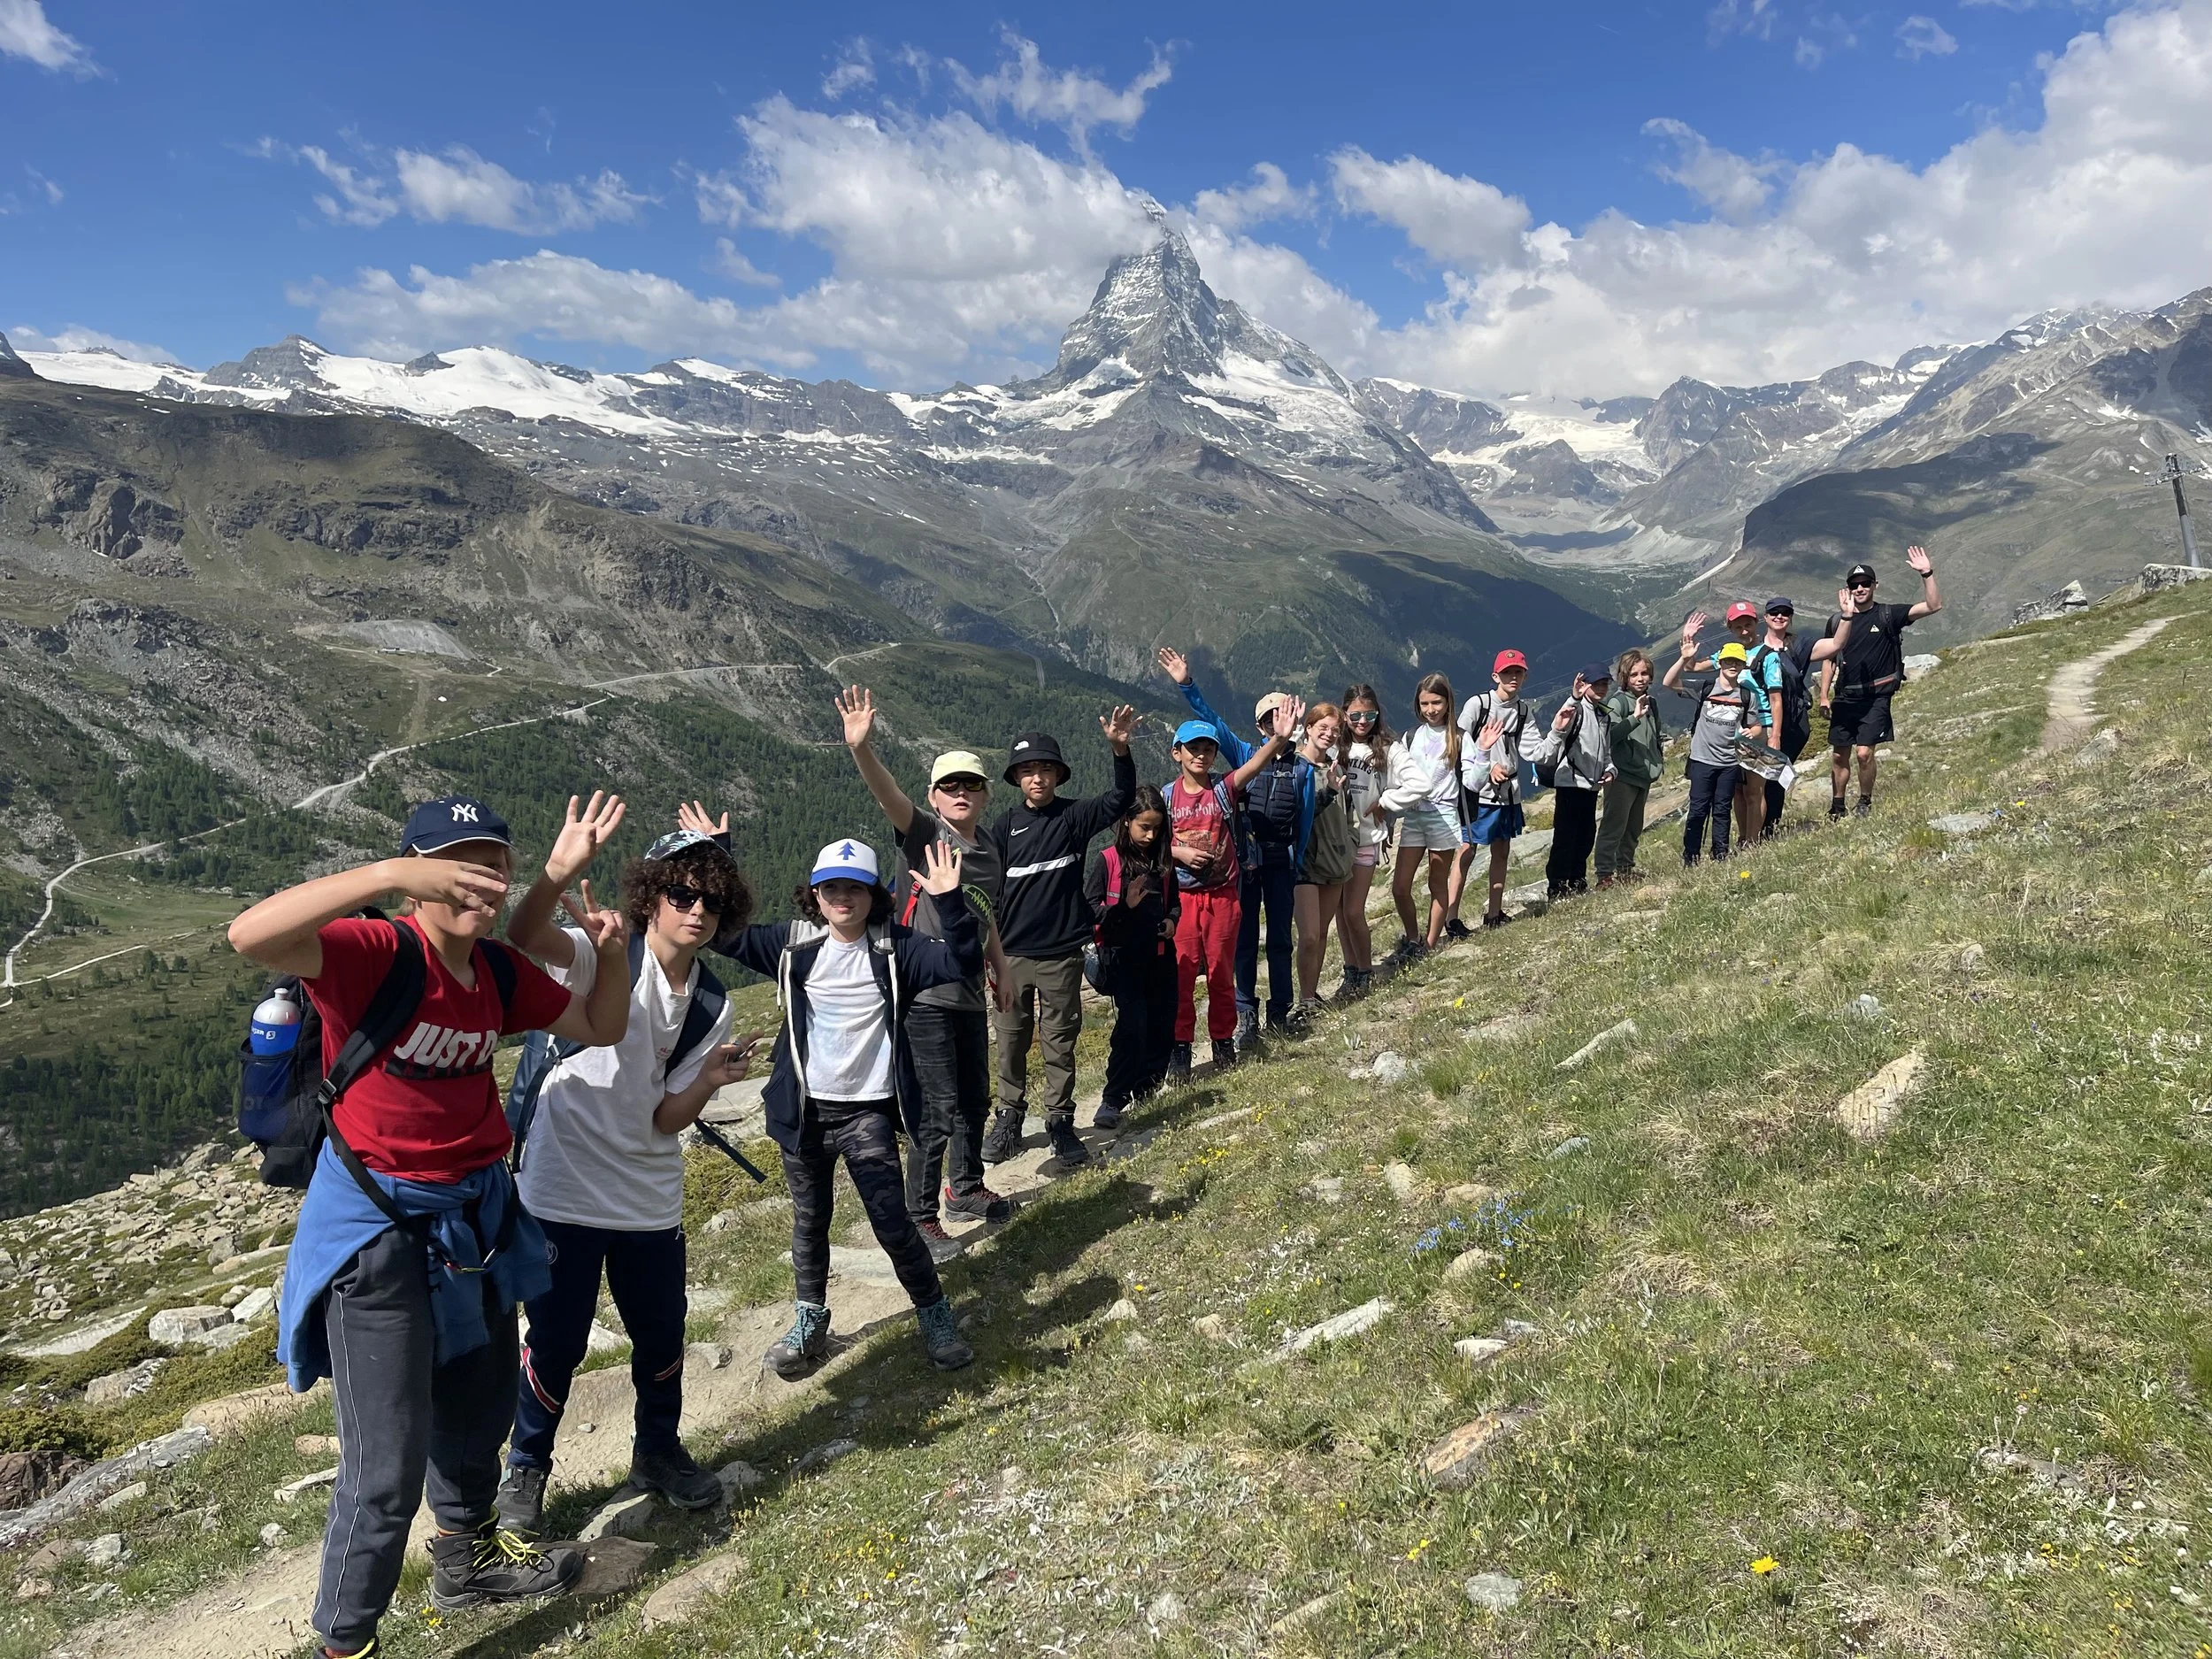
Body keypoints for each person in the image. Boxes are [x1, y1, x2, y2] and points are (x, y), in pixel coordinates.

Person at [232, 795, 635, 1659]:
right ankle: (343, 1643)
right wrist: (384, 878)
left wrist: (613, 956)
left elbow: (600, 1025)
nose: (476, 878)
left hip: (475, 1223)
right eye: (455, 861)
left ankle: (466, 1563)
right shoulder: (372, 950)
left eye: (491, 862)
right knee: (384, 1467)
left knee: (477, 1410)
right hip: (372, 1234)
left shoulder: (494, 972)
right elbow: (250, 937)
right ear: (419, 872)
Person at [496, 803, 757, 1536]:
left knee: (661, 1334)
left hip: (646, 1194)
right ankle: (528, 1466)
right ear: (651, 896)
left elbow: (665, 1117)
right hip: (562, 1184)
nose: (697, 910)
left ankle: (658, 1449)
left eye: (711, 897)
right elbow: (520, 937)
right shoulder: (603, 948)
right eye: (682, 893)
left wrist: (709, 1083)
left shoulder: (712, 1003)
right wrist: (556, 871)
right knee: (555, 1337)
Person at [718, 837, 983, 1379]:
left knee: (892, 1222)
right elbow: (721, 934)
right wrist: (722, 857)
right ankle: (810, 1322)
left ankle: (935, 1316)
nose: (843, 897)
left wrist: (951, 901)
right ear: (815, 894)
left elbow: (962, 960)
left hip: (867, 1113)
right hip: (805, 1111)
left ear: (875, 895)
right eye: (831, 888)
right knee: (810, 1221)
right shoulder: (791, 945)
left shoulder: (897, 947)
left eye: (855, 888)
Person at [834, 687, 1016, 1252]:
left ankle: (966, 1188)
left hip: (966, 990)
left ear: (984, 795)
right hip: (922, 994)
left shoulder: (988, 846)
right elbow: (888, 795)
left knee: (974, 1097)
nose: (961, 794)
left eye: (971, 785)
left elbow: (986, 915)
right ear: (934, 798)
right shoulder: (924, 836)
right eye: (949, 787)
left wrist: (1001, 966)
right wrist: (863, 750)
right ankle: (919, 1216)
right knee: (934, 1108)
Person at [979, 707, 1139, 1170]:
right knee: (1010, 1039)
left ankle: (1060, 1121)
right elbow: (987, 890)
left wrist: (1119, 749)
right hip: (1011, 956)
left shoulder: (1073, 818)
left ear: (1058, 775)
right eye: (1028, 771)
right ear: (1016, 778)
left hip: (1061, 956)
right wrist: (990, 954)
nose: (1037, 779)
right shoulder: (1004, 828)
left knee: (1059, 1040)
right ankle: (1008, 1117)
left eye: (1045, 769)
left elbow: (1120, 799)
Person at [1153, 648, 1310, 1051]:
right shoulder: (1230, 761)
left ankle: (1259, 1020)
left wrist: (1297, 863)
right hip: (1217, 882)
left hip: (1259, 872)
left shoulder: (1295, 770)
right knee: (1210, 960)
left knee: (1260, 949)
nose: (1204, 754)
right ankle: (1215, 1030)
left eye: (1282, 718)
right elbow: (1214, 724)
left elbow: (1301, 813)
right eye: (1269, 720)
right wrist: (1187, 684)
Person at [1163, 710, 1299, 1079]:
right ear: (1177, 752)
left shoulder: (1223, 788)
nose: (1201, 755)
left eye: (1208, 748)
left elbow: (1254, 764)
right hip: (1184, 899)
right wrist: (1180, 853)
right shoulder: (1165, 797)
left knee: (1222, 974)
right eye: (1193, 748)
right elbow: (1151, 840)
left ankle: (1222, 1041)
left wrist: (1278, 740)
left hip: (1223, 895)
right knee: (1182, 976)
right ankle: (1181, 1049)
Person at [1820, 547, 1941, 817]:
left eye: (1866, 583)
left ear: (1875, 585)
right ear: (1848, 588)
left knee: (1864, 753)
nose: (1860, 588)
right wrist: (1824, 696)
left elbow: (1933, 606)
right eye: (1855, 584)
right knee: (1840, 754)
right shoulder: (1837, 620)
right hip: (1845, 696)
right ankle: (1837, 805)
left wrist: (1927, 573)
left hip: (1876, 696)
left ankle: (1865, 801)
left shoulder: (1889, 615)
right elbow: (1828, 659)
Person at [1086, 786, 1179, 1128]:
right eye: (1144, 826)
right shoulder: (1108, 861)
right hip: (1123, 959)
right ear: (1126, 822)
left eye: (1156, 827)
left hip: (1159, 955)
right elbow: (1092, 910)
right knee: (1132, 1027)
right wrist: (1124, 908)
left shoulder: (1163, 863)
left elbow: (1174, 903)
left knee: (1163, 1024)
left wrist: (1171, 921)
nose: (1151, 834)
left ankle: (1148, 1089)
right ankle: (1113, 1099)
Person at [1376, 672, 1463, 957]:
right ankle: (1414, 938)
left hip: (1444, 817)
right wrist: (1390, 818)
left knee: (1437, 883)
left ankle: (1429, 943)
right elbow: (1396, 781)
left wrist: (1486, 754)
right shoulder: (1411, 736)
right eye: (1424, 703)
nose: (1430, 710)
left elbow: (1473, 780)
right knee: (1400, 887)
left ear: (1448, 701)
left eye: (1436, 702)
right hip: (1413, 817)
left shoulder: (1460, 737)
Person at [1664, 630, 1768, 864]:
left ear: (1743, 665)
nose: (1733, 665)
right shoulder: (1705, 688)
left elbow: (1756, 725)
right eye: (1729, 661)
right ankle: (1691, 856)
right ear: (1720, 663)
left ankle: (1720, 853)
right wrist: (1683, 659)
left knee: (1722, 810)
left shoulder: (1747, 695)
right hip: (1702, 760)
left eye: (1738, 662)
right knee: (1698, 810)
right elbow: (1668, 683)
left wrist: (1754, 732)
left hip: (1730, 763)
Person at [1747, 597, 1847, 835]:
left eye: (1785, 613)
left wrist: (1847, 617)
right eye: (1774, 612)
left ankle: (1767, 829)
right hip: (1759, 724)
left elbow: (1836, 644)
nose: (1779, 616)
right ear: (1766, 617)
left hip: (1793, 723)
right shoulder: (1752, 649)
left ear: (1790, 617)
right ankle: (1757, 830)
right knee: (1756, 781)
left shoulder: (1799, 645)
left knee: (1773, 776)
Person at [1454, 650, 1532, 932]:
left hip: (1509, 792)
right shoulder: (1478, 705)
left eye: (1518, 672)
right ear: (1495, 676)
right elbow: (1458, 741)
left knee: (1502, 850)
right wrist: (1486, 768)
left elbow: (1535, 748)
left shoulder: (1523, 710)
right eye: (1508, 672)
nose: (1513, 677)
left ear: (1525, 675)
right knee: (1467, 850)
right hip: (1477, 793)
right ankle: (1451, 918)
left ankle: (1494, 914)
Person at [1525, 662, 1617, 900]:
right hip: (1570, 782)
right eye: (1596, 683)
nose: (1602, 687)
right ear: (1584, 685)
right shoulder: (1576, 710)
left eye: (1605, 683)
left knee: (1586, 834)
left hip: (1591, 784)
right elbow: (1563, 717)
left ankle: (1577, 879)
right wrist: (1574, 696)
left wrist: (1610, 770)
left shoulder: (1602, 714)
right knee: (1565, 835)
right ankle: (1557, 884)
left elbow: (1605, 752)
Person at [1290, 702, 1356, 1027]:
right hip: (1305, 865)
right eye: (1323, 728)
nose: (1329, 735)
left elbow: (1349, 815)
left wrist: (1351, 843)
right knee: (1310, 936)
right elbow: (1296, 818)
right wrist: (1328, 792)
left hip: (1335, 861)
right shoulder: (1295, 768)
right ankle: (1303, 1000)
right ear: (1308, 728)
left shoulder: (1337, 768)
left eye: (1334, 730)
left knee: (1323, 932)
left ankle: (1311, 994)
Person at [1334, 686, 1392, 996]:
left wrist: (1387, 804)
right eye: (1355, 715)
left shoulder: (1385, 749)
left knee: (1354, 910)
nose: (1362, 721)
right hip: (1337, 839)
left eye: (1369, 715)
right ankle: (1351, 969)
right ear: (1345, 714)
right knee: (1340, 912)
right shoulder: (1335, 747)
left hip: (1367, 837)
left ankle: (1366, 970)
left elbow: (1412, 783)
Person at [1596, 649, 1664, 886]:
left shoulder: (1651, 702)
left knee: (1633, 828)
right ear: (1625, 677)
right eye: (1634, 674)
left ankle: (1625, 870)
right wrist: (1634, 717)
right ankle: (1604, 874)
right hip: (1623, 775)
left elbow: (1655, 733)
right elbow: (1610, 736)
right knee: (1614, 825)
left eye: (1645, 673)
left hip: (1643, 774)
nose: (1640, 678)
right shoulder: (1618, 702)